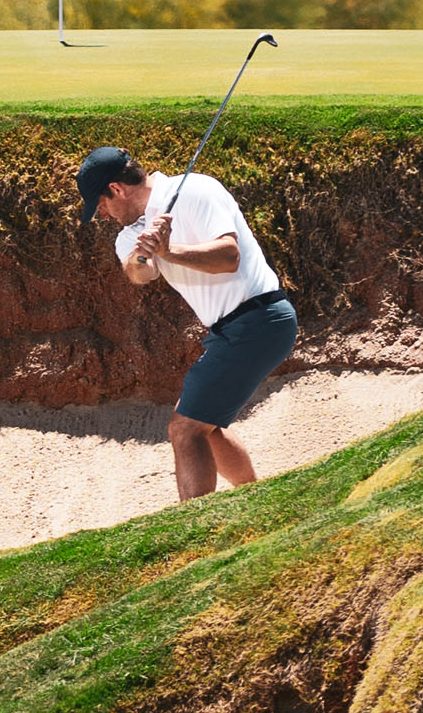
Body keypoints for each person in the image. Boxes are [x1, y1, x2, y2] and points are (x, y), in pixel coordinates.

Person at [75, 145, 298, 500]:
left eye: (100, 203)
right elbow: (139, 275)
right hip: (231, 330)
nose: (101, 214)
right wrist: (144, 254)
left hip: (260, 317)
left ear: (116, 189)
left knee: (184, 429)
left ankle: (195, 530)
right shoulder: (129, 234)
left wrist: (168, 251)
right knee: (201, 425)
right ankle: (254, 497)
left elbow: (229, 257)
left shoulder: (195, 190)